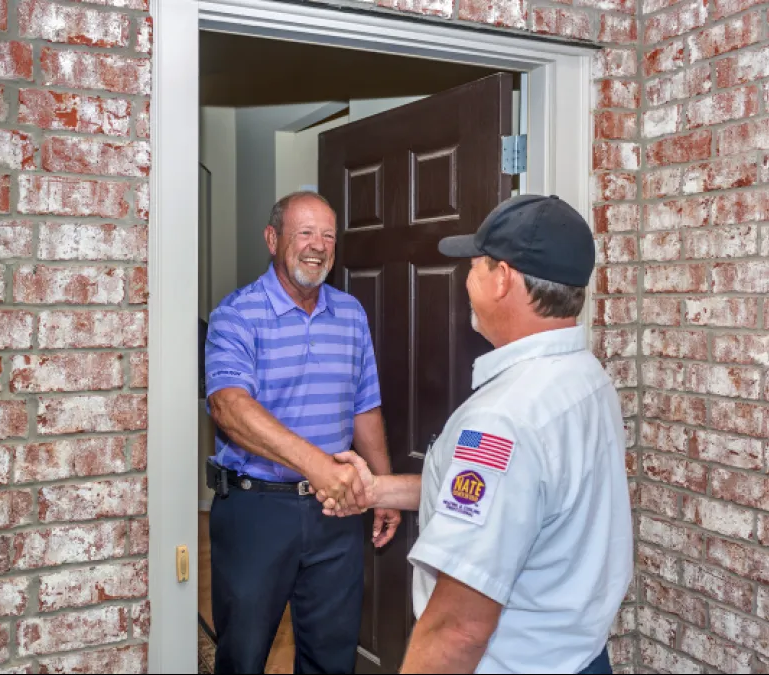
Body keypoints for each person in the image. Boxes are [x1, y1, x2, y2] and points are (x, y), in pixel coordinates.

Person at [316, 194, 633, 674]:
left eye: (475, 265)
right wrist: (378, 490)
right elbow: (519, 502)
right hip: (580, 658)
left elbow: (459, 628)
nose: (467, 280)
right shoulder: (584, 378)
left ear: (502, 278)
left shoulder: (503, 419)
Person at [204, 191, 401, 674]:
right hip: (256, 511)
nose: (318, 246)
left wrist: (386, 488)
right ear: (273, 239)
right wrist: (316, 464)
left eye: (329, 235)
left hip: (335, 512)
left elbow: (365, 408)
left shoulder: (351, 313)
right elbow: (229, 407)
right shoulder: (237, 314)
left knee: (332, 660)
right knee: (244, 659)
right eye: (305, 233)